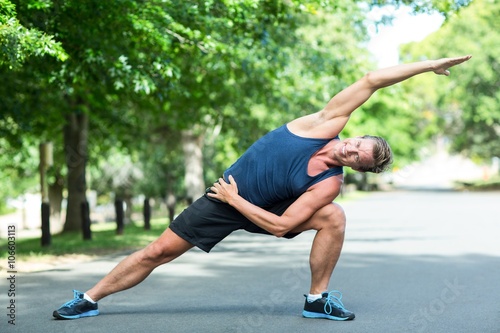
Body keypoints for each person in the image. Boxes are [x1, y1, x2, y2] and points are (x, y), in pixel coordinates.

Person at [53, 55, 471, 321]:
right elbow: (371, 80)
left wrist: (238, 200)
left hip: (263, 209)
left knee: (334, 217)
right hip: (224, 200)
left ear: (358, 168)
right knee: (156, 252)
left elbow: (279, 227)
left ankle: (316, 300)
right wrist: (427, 64)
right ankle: (89, 299)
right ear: (354, 135)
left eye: (358, 156)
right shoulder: (322, 124)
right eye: (358, 143)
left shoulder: (328, 185)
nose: (351, 149)